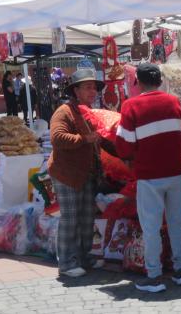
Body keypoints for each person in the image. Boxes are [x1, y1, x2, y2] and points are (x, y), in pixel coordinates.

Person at [116, 63, 181, 293]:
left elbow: (123, 145)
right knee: (177, 222)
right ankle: (180, 272)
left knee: (151, 227)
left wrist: (132, 156)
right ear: (159, 80)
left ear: (138, 82)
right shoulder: (173, 102)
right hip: (177, 172)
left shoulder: (131, 106)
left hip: (149, 175)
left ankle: (155, 276)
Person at [48, 69, 114, 278]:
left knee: (86, 218)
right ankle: (66, 264)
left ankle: (84, 257)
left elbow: (100, 140)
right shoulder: (64, 111)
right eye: (87, 87)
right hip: (67, 173)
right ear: (75, 91)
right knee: (70, 218)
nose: (93, 91)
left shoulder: (89, 113)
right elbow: (57, 138)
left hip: (86, 173)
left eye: (94, 87)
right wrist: (85, 139)